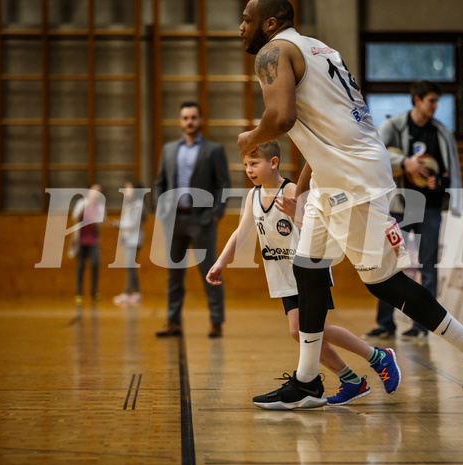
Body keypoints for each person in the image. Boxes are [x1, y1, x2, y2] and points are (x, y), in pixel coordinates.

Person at [237, 0, 463, 411]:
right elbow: (332, 128)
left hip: (354, 181)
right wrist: (304, 186)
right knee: (307, 269)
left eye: (247, 20)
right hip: (336, 177)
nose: (240, 27)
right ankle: (308, 381)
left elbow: (282, 118)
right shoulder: (318, 49)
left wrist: (250, 139)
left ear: (270, 23)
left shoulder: (273, 53)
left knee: (383, 282)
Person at [206, 141, 401, 406]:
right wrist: (221, 262)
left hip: (308, 269)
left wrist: (296, 211)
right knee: (301, 332)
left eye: (254, 164)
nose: (249, 170)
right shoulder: (252, 196)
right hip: (282, 275)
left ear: (273, 163)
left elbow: (317, 225)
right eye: (246, 165)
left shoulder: (292, 190)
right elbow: (241, 232)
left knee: (310, 329)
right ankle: (353, 379)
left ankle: (376, 358)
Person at [365, 80, 463, 339]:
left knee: (428, 268)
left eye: (436, 101)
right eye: (431, 100)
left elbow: (448, 172)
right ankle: (385, 324)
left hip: (429, 209)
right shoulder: (393, 126)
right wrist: (404, 162)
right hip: (398, 208)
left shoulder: (441, 132)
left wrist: (438, 182)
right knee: (389, 265)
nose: (435, 106)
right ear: (417, 100)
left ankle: (422, 327)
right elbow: (374, 153)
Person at [154, 101, 230, 338]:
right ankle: (173, 322)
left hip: (203, 221)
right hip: (174, 221)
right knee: (174, 275)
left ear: (201, 120)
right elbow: (159, 183)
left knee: (210, 273)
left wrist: (216, 212)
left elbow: (223, 184)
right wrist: (161, 209)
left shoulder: (213, 150)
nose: (189, 122)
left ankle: (216, 322)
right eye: (185, 118)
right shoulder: (168, 150)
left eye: (193, 117)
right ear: (180, 121)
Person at [112, 181, 147, 306]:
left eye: (129, 189)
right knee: (130, 266)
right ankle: (136, 293)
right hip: (128, 239)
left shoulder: (139, 204)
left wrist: (117, 224)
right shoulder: (128, 204)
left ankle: (128, 293)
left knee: (130, 266)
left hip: (134, 240)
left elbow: (133, 223)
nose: (126, 191)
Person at [72, 183, 105, 304]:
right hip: (80, 240)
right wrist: (86, 206)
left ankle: (94, 291)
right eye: (94, 191)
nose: (96, 194)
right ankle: (79, 293)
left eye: (98, 192)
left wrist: (93, 219)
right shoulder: (81, 202)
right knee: (80, 266)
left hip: (93, 241)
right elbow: (75, 216)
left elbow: (100, 224)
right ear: (89, 192)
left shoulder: (100, 206)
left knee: (95, 265)